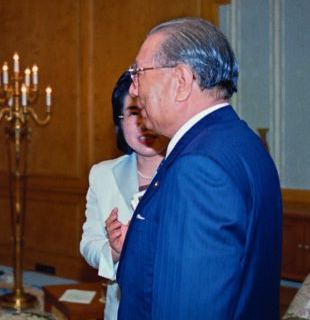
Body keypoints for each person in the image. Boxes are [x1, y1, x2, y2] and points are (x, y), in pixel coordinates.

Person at [117, 17, 282, 319]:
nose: (134, 89)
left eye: (138, 73)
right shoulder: (245, 142)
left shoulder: (198, 167)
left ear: (181, 80)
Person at [80, 71, 167, 320]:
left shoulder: (186, 173)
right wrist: (115, 250)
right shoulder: (102, 174)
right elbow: (88, 244)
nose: (144, 122)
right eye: (133, 112)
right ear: (119, 123)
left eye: (150, 109)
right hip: (120, 309)